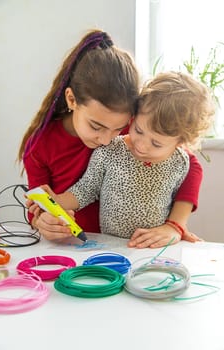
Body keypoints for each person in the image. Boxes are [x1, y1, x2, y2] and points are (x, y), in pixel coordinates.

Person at [18, 29, 203, 245]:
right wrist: (43, 219)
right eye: (96, 126)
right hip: (77, 246)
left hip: (137, 247)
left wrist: (175, 225)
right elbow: (38, 211)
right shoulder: (41, 145)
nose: (106, 140)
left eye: (119, 128)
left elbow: (189, 164)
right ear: (72, 100)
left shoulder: (136, 134)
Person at [40, 71, 215, 248]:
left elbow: (181, 198)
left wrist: (174, 227)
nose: (142, 145)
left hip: (155, 247)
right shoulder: (110, 150)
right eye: (138, 130)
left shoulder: (180, 162)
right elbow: (86, 190)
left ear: (180, 142)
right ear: (135, 116)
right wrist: (53, 202)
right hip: (111, 244)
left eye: (156, 143)